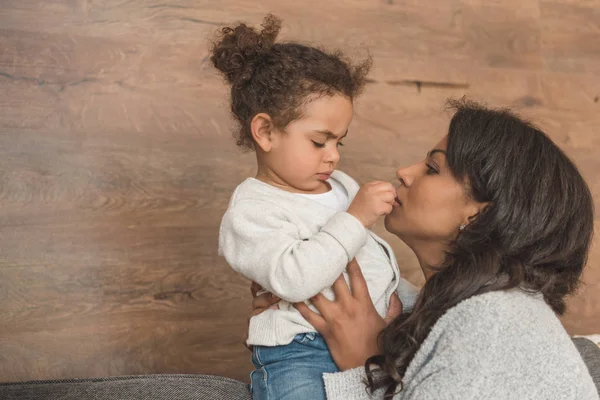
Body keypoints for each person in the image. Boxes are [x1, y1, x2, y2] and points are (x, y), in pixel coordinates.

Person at [254, 100, 599, 399]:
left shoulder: (493, 325)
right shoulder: (451, 310)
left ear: (480, 212)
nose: (404, 173)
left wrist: (362, 366)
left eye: (432, 168)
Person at [212, 14, 418, 400]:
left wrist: (414, 302)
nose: (333, 157)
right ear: (266, 132)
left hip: (377, 328)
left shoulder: (338, 186)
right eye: (319, 141)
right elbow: (294, 280)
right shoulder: (252, 211)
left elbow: (369, 262)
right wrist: (355, 217)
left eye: (340, 142)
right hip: (300, 352)